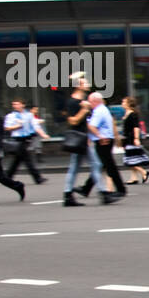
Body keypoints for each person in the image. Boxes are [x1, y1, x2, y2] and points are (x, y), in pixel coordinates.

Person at [62, 74, 118, 206]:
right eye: (84, 82)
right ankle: (102, 194)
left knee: (86, 166)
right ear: (78, 86)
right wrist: (84, 109)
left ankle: (69, 195)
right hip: (78, 139)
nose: (87, 84)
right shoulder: (73, 102)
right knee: (89, 165)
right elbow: (72, 121)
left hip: (84, 139)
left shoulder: (84, 101)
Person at [79, 92, 126, 198]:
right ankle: (86, 188)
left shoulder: (99, 111)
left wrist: (99, 136)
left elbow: (92, 126)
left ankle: (121, 189)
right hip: (106, 140)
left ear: (95, 101)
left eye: (90, 101)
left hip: (103, 141)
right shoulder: (103, 109)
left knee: (108, 166)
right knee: (101, 165)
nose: (89, 103)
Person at [3, 98, 47, 184]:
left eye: (17, 104)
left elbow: (35, 125)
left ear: (23, 105)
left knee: (18, 160)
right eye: (14, 104)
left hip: (26, 139)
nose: (15, 106)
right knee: (27, 159)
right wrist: (17, 126)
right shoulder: (11, 116)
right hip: (17, 139)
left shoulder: (28, 115)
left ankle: (7, 176)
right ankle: (37, 178)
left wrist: (43, 134)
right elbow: (7, 128)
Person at [120, 96, 149, 184]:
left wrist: (136, 138)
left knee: (129, 159)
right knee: (132, 158)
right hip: (126, 138)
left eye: (124, 102)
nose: (122, 103)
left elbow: (136, 127)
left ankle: (144, 172)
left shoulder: (133, 114)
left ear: (129, 104)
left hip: (131, 138)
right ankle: (134, 177)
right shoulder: (126, 113)